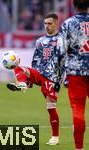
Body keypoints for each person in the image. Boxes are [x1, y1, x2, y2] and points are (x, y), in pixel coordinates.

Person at [7, 13, 65, 145]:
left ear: (56, 23)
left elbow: (66, 61)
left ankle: (55, 137)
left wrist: (64, 79)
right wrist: (30, 79)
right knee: (18, 67)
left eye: (50, 23)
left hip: (53, 78)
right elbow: (36, 60)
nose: (47, 26)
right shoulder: (40, 41)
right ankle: (22, 85)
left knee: (50, 107)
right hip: (39, 74)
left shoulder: (62, 40)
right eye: (45, 23)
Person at [60, 0, 89, 149]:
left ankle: (79, 147)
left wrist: (63, 75)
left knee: (78, 110)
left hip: (76, 72)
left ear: (74, 5)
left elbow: (62, 52)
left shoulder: (68, 24)